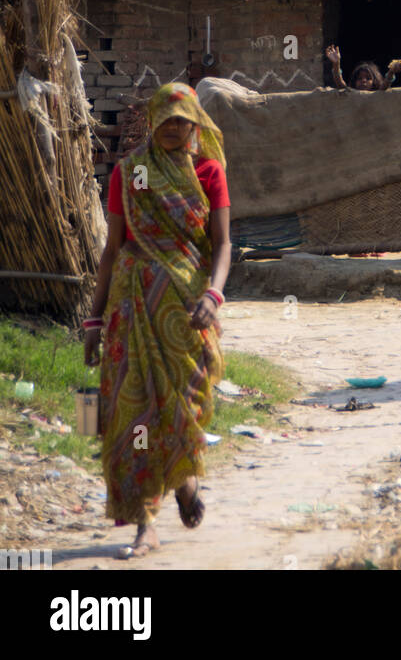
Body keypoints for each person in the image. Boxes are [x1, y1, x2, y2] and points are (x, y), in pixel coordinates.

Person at [83, 82, 232, 559]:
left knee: (185, 408)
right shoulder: (133, 175)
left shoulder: (209, 172)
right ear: (151, 121)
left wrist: (215, 292)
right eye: (165, 119)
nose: (173, 127)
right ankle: (145, 524)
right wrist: (92, 320)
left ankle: (185, 479)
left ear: (195, 123)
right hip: (131, 309)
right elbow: (112, 250)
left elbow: (223, 244)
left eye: (182, 119)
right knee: (134, 414)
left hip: (189, 314)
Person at [325, 45, 401, 91]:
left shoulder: (377, 94)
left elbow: (385, 86)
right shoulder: (350, 94)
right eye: (359, 78)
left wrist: (391, 72)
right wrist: (336, 64)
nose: (363, 81)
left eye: (368, 78)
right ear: (354, 82)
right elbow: (340, 84)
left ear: (374, 82)